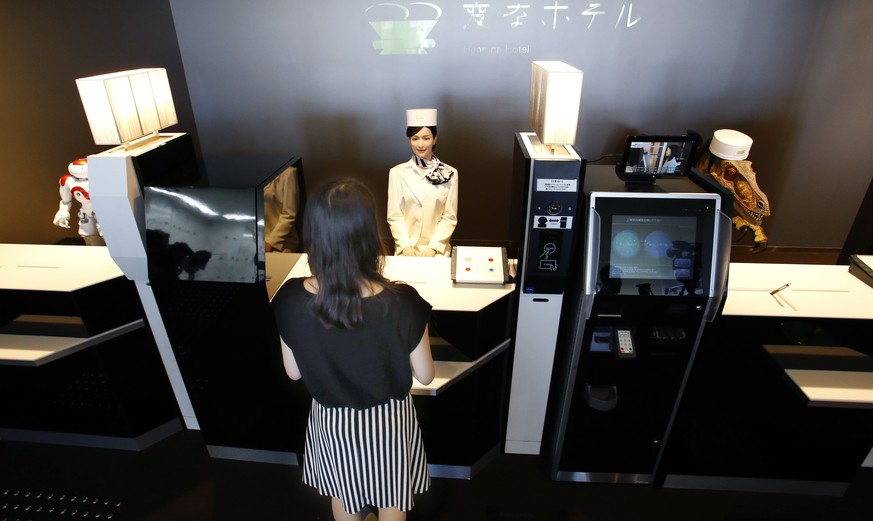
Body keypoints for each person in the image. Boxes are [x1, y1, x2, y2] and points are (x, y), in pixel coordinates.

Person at [271, 178, 435, 521]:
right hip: (388, 421)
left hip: (333, 422)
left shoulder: (288, 299)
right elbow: (425, 373)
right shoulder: (402, 302)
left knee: (345, 499)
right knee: (393, 497)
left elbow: (293, 371)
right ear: (368, 236)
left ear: (313, 235)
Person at [387, 108, 458, 257]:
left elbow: (449, 216)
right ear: (409, 140)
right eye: (415, 138)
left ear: (435, 139)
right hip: (406, 250)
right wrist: (405, 245)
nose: (420, 144)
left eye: (426, 138)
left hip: (437, 250)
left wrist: (433, 247)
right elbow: (394, 215)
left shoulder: (450, 173)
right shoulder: (396, 173)